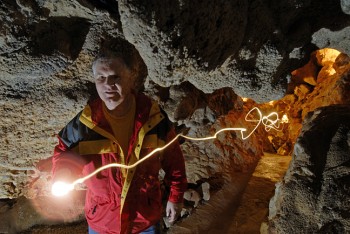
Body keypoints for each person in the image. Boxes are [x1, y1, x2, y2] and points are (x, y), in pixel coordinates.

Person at [51, 38, 188, 234]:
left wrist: (176, 197)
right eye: (100, 78)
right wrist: (63, 173)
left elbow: (174, 161)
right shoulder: (84, 124)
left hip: (144, 220)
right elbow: (62, 153)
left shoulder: (154, 119)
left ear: (131, 76)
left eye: (115, 77)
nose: (108, 85)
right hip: (103, 222)